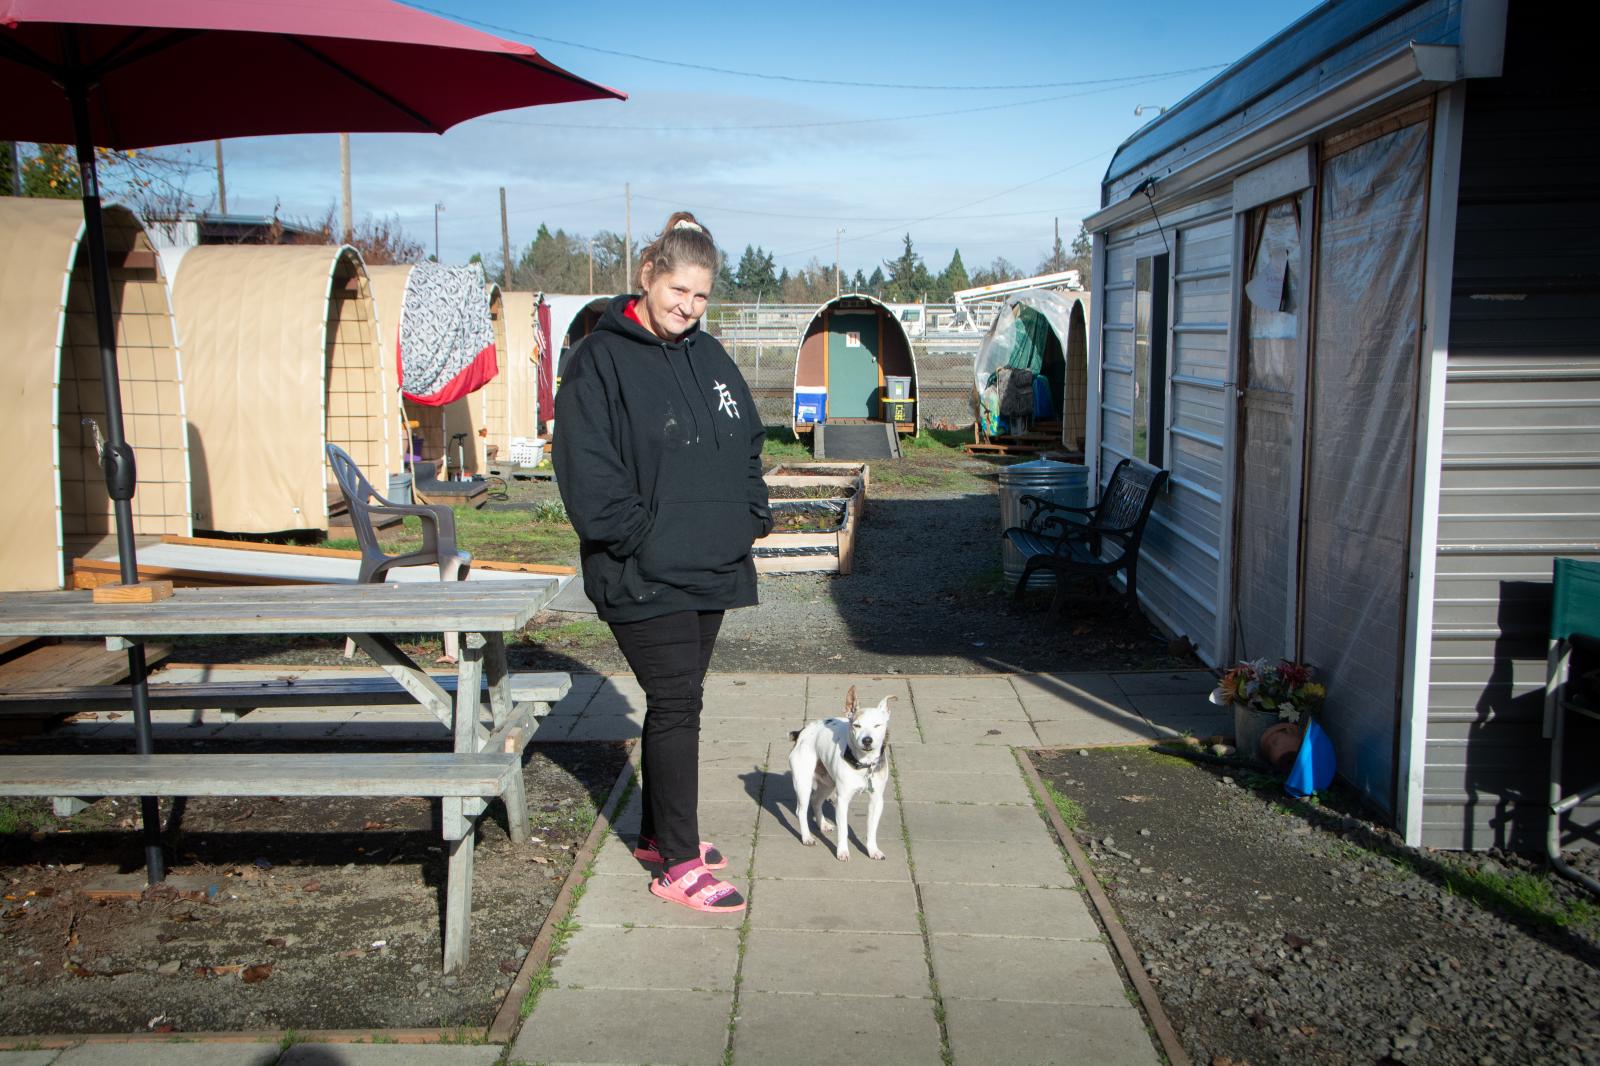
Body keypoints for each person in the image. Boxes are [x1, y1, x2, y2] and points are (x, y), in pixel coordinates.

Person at [553, 211, 769, 913]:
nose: (688, 306)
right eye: (678, 289)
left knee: (678, 703)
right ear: (648, 275)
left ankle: (657, 834)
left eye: (702, 295)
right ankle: (678, 864)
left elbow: (746, 439)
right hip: (642, 570)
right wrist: (642, 535)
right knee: (678, 702)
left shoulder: (707, 356)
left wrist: (750, 514)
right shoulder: (600, 359)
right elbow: (587, 472)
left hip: (710, 564)